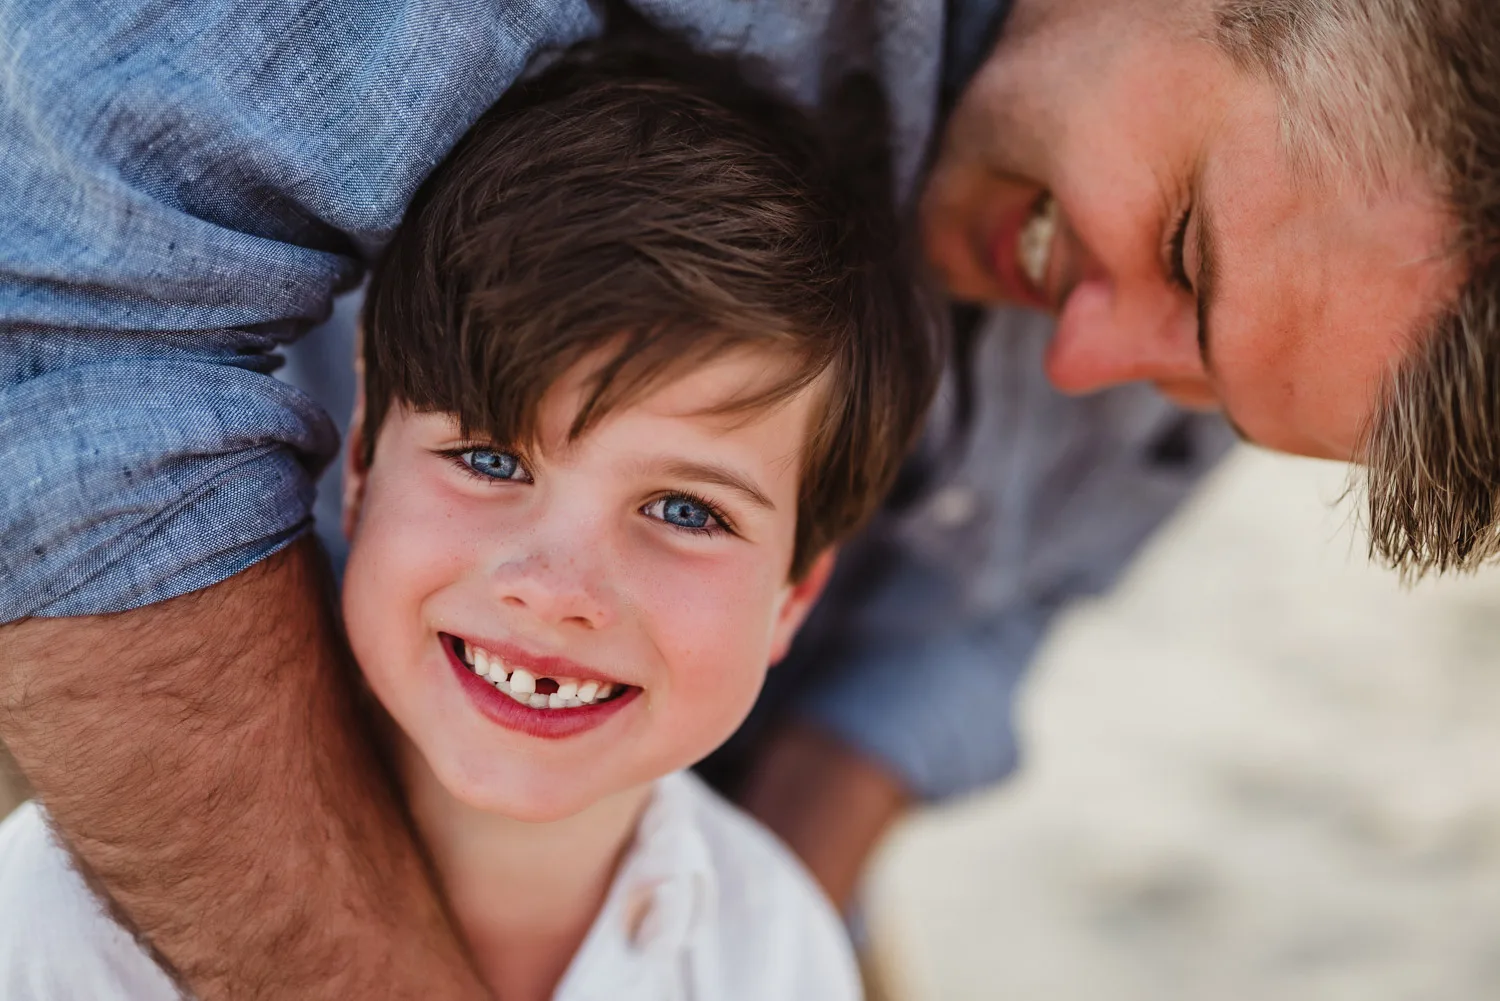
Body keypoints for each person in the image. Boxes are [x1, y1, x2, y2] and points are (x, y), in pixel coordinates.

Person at [1, 0, 1494, 997]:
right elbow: (63, 343)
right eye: (1182, 244)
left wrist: (772, 907)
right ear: (366, 453)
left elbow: (998, 609)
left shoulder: (764, 936)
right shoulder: (49, 926)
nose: (1090, 360)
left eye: (1211, 393)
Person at [0, 34, 936, 999]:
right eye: (490, 459)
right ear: (361, 463)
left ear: (794, 595)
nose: (554, 587)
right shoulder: (60, 925)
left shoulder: (780, 952)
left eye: (683, 509)